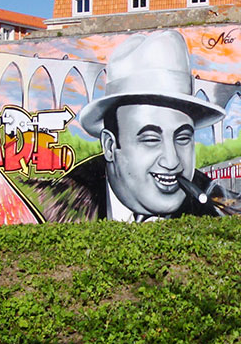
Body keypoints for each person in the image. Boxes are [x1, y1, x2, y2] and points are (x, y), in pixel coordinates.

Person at [35, 30, 225, 222]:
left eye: (182, 138)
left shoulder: (213, 202)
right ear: (110, 146)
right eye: (151, 139)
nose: (172, 161)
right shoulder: (52, 205)